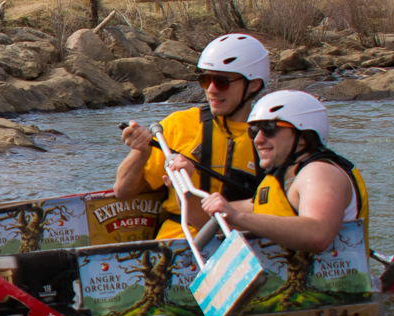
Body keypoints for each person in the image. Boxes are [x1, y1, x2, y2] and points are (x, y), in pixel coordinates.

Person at [114, 33, 269, 242]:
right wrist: (140, 152)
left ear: (254, 85)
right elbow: (123, 191)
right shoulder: (178, 124)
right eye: (206, 80)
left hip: (247, 240)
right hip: (178, 243)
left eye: (222, 82)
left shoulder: (272, 137)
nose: (211, 90)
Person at [198, 90, 369, 253]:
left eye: (269, 129)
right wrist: (184, 182)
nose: (258, 139)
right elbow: (205, 217)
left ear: (303, 137)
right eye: (254, 131)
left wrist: (237, 218)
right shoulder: (280, 179)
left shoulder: (320, 172)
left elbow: (318, 235)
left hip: (331, 283)